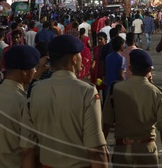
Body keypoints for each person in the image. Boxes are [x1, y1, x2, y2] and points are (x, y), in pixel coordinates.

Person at [23, 35, 109, 168]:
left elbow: (27, 148)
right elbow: (95, 150)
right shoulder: (87, 92)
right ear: (74, 59)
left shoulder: (35, 90)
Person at [102, 49, 162, 167]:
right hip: (147, 151)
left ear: (130, 68)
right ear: (149, 70)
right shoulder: (157, 93)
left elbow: (105, 123)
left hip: (122, 151)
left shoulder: (116, 89)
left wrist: (102, 147)